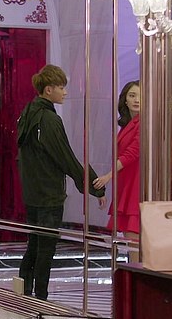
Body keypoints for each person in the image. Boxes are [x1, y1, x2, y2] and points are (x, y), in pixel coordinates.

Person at [16, 64, 106, 300]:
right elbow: (65, 158)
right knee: (45, 248)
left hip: (32, 192)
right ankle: (40, 299)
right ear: (48, 90)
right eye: (61, 87)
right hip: (48, 194)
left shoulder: (28, 113)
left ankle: (24, 294)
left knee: (34, 244)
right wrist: (94, 186)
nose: (65, 92)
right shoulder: (49, 119)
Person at [94, 80, 141, 261]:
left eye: (140, 96)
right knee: (131, 239)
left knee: (134, 237)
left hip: (136, 185)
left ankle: (136, 276)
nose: (137, 100)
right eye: (132, 95)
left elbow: (132, 153)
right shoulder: (129, 124)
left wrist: (108, 176)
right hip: (127, 183)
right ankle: (134, 274)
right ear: (125, 100)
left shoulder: (143, 122)